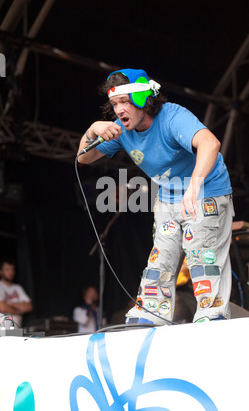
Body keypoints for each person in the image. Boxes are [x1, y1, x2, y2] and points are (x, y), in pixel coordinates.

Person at [77, 68, 234, 325]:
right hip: (168, 197)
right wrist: (93, 129)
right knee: (161, 256)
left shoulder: (172, 116)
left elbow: (211, 143)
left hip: (207, 190)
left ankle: (211, 314)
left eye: (124, 102)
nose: (118, 110)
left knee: (200, 253)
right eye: (114, 104)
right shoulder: (120, 129)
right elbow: (83, 158)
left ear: (143, 99)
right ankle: (152, 313)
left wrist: (194, 186)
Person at [0, 259, 33, 327]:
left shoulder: (18, 287)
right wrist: (18, 311)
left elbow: (28, 306)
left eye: (12, 269)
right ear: (1, 271)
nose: (10, 272)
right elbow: (2, 307)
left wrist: (9, 303)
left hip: (17, 328)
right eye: (7, 269)